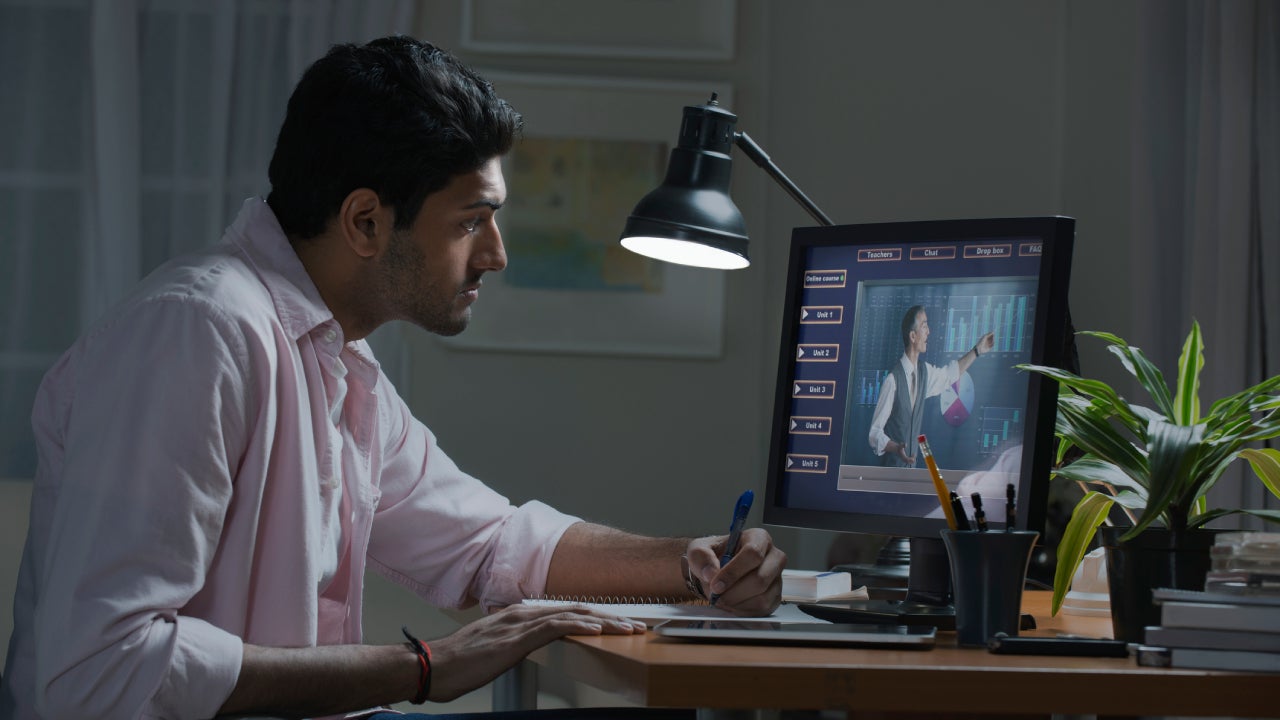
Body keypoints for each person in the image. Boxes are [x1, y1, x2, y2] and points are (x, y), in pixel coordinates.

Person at [0, 36, 785, 720]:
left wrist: (697, 560)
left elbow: (489, 544)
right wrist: (424, 671)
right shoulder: (201, 333)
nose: (496, 254)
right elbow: (97, 675)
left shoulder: (335, 354)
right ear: (366, 221)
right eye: (472, 220)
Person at [867, 305, 995, 467]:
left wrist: (977, 351)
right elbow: (874, 434)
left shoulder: (924, 372)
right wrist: (896, 447)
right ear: (913, 336)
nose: (929, 332)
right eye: (924, 326)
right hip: (890, 473)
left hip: (910, 475)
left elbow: (950, 374)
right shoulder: (893, 380)